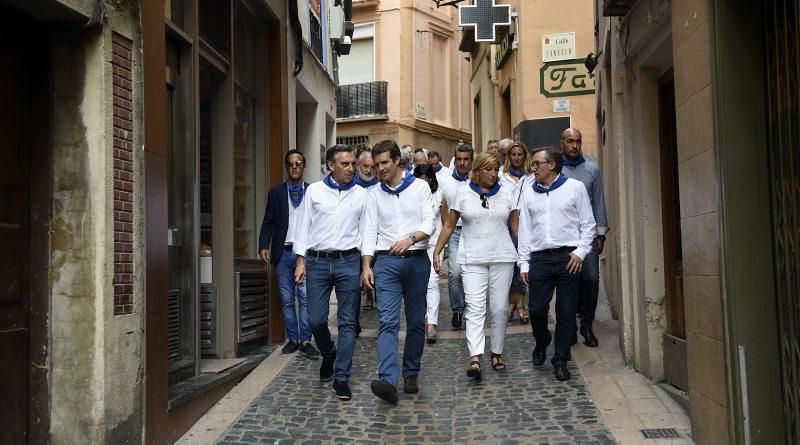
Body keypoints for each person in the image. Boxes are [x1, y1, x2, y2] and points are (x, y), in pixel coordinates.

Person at [361, 139, 434, 404]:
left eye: (384, 163)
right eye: (376, 164)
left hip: (416, 261)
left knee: (416, 322)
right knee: (388, 321)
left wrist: (410, 240)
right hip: (387, 262)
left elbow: (429, 222)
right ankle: (388, 380)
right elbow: (369, 231)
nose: (379, 168)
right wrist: (367, 265)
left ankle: (411, 373)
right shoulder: (373, 195)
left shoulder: (421, 187)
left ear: (397, 161)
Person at [433, 152, 518, 380]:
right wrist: (437, 251)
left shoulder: (508, 193)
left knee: (499, 308)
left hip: (502, 257)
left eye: (495, 169)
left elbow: (517, 229)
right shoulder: (462, 193)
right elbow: (450, 225)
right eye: (488, 169)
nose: (492, 174)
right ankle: (475, 357)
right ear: (477, 171)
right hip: (472, 257)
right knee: (475, 308)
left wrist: (527, 257)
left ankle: (497, 352)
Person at [293, 144, 367, 400]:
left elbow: (367, 232)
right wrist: (300, 260)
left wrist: (365, 265)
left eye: (353, 164)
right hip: (317, 262)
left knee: (347, 322)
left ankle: (341, 377)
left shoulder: (361, 194)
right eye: (345, 164)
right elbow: (303, 227)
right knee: (315, 320)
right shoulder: (314, 191)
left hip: (348, 261)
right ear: (330, 166)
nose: (351, 168)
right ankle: (329, 353)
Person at [518, 146, 596, 381]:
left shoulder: (575, 188)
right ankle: (542, 341)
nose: (533, 169)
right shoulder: (528, 191)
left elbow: (588, 224)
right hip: (540, 258)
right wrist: (523, 263)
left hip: (568, 259)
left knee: (566, 312)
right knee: (537, 309)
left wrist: (580, 253)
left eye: (536, 164)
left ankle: (560, 359)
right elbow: (525, 229)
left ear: (551, 165)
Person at [258, 150, 320, 358]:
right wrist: (263, 244)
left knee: (304, 298)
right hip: (283, 253)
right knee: (286, 299)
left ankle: (306, 340)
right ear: (287, 167)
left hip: (305, 254)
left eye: (298, 163)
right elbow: (268, 221)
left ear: (305, 167)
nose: (294, 167)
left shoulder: (314, 191)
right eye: (290, 164)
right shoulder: (276, 193)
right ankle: (293, 339)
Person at [560, 128, 609, 348]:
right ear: (562, 143)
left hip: (587, 235)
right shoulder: (555, 170)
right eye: (570, 141)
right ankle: (568, 327)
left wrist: (601, 234)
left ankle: (587, 324)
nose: (574, 146)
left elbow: (599, 202)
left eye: (578, 142)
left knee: (591, 278)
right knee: (568, 282)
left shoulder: (592, 170)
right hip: (564, 236)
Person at [498, 141, 536, 325]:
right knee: (509, 264)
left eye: (520, 154)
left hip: (525, 223)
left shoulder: (532, 176)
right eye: (513, 154)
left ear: (525, 155)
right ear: (508, 156)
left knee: (522, 263)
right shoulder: (501, 176)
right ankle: (511, 301)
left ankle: (521, 304)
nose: (517, 158)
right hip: (505, 224)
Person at [438, 144, 475, 329]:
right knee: (454, 273)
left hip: (472, 232)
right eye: (459, 159)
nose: (462, 163)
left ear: (471, 161)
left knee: (470, 273)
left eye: (466, 159)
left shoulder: (476, 182)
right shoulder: (444, 181)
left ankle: (470, 309)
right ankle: (458, 309)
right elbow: (442, 208)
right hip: (453, 232)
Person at [413, 163, 448, 344]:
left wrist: (444, 247)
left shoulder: (439, 195)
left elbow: (446, 222)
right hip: (416, 245)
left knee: (433, 283)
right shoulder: (410, 195)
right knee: (419, 284)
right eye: (421, 180)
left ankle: (432, 324)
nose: (424, 183)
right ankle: (421, 318)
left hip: (434, 245)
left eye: (427, 180)